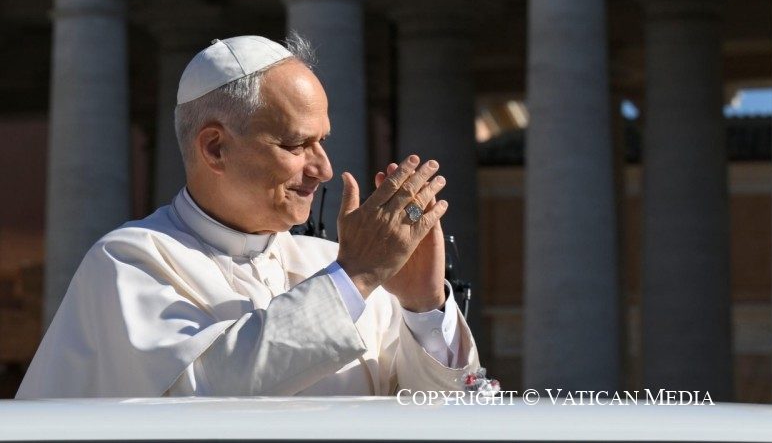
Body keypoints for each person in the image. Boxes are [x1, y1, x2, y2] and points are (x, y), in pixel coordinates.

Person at [16, 34, 480, 398]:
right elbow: (206, 396)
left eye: (322, 142)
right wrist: (355, 276)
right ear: (215, 148)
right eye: (296, 144)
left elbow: (444, 413)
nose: (323, 169)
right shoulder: (130, 261)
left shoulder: (333, 265)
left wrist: (424, 308)